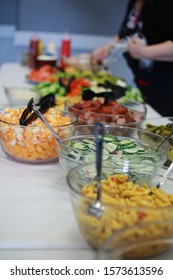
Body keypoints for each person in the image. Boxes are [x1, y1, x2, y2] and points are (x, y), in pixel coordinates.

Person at [91, 0, 173, 116]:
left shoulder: (167, 5)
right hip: (145, 82)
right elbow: (125, 33)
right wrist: (108, 47)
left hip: (166, 88)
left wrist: (145, 52)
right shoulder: (135, 2)